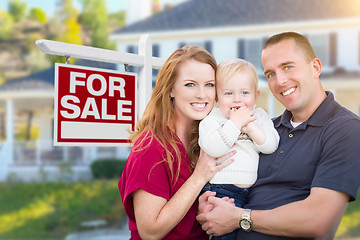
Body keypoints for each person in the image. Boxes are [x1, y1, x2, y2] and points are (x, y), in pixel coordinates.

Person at [197, 31, 360, 240]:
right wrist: (211, 205)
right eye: (271, 73)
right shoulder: (265, 129)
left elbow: (318, 221)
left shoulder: (345, 129)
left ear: (315, 68)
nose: (280, 80)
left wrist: (240, 217)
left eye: (288, 67)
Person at [118, 45, 235, 240]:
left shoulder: (208, 140)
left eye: (209, 84)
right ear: (171, 89)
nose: (202, 95)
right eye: (190, 84)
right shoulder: (151, 147)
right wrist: (199, 178)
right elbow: (150, 231)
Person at [198, 59, 279, 239]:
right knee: (225, 235)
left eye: (244, 92)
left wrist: (250, 128)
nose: (237, 99)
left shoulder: (258, 116)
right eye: (228, 93)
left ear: (255, 96)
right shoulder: (212, 119)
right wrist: (235, 124)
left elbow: (271, 146)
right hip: (221, 191)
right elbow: (212, 147)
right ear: (217, 97)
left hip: (254, 193)